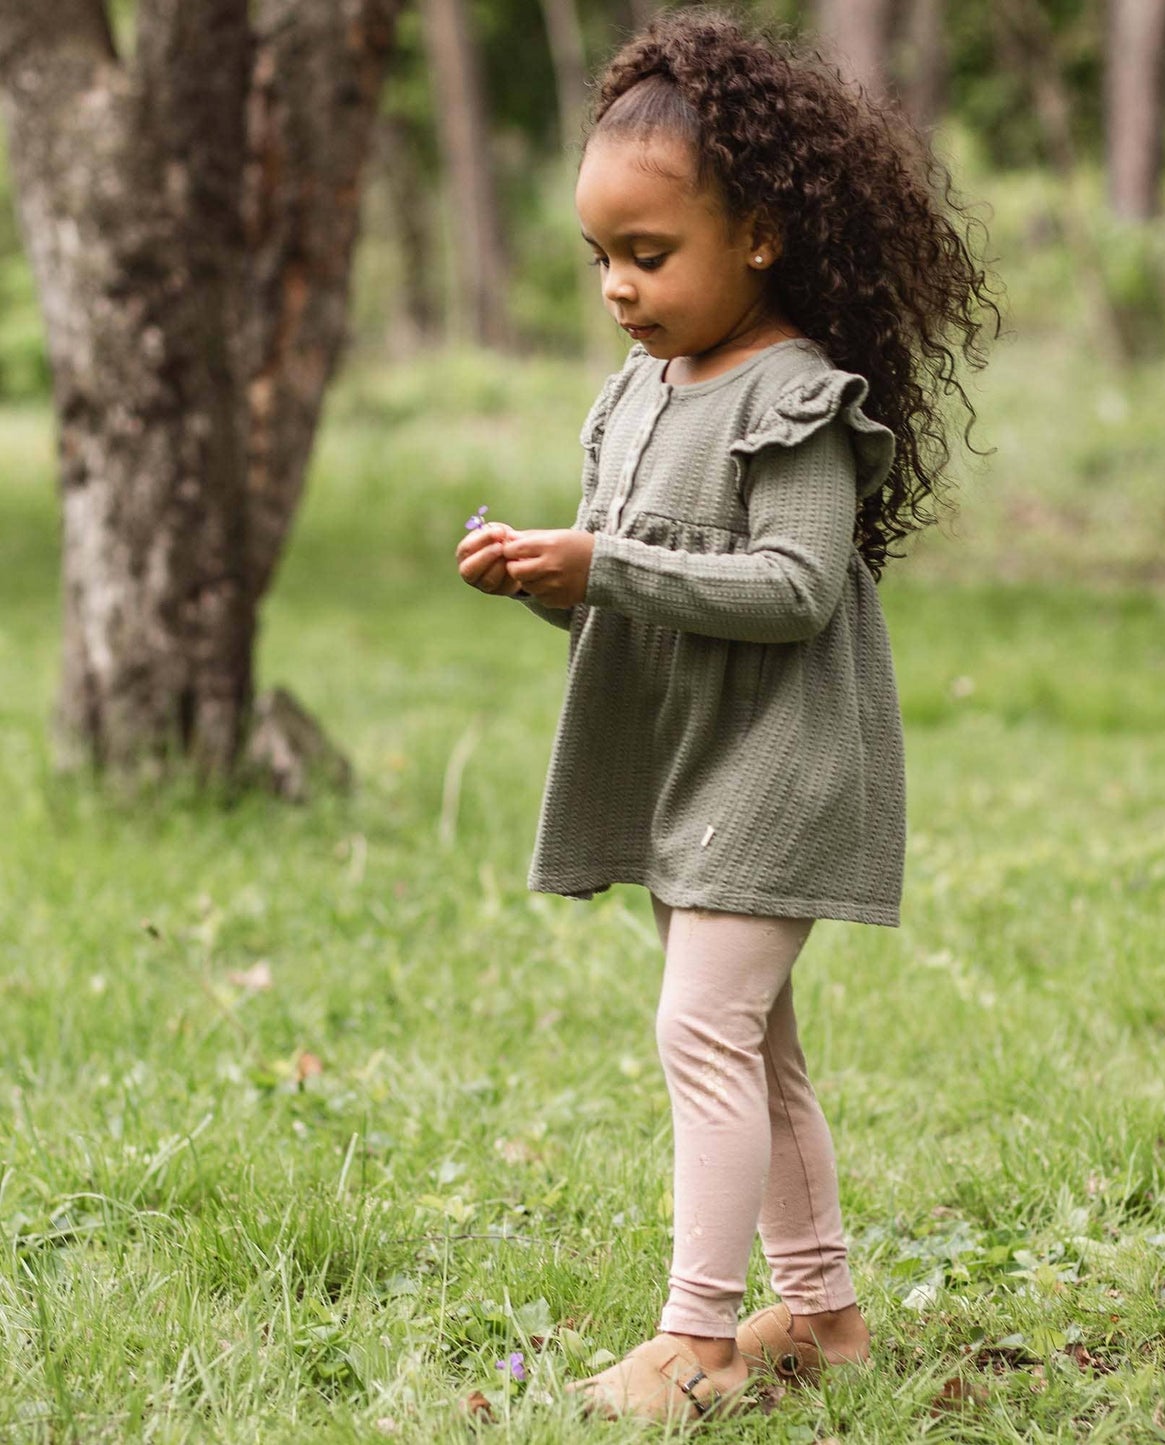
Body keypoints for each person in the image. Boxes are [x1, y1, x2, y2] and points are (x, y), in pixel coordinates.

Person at [455, 6, 994, 1423]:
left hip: (782, 768)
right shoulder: (635, 397)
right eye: (599, 258)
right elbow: (640, 599)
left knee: (701, 1033)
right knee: (754, 1045)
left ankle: (695, 1338)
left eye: (649, 254)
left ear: (759, 234)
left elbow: (794, 589)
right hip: (690, 769)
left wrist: (607, 565)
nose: (618, 289)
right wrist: (550, 581)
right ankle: (819, 1313)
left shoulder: (797, 397)